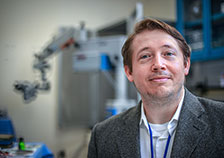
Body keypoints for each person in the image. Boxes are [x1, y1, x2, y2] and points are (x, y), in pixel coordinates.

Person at [87, 18, 224, 158]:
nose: (158, 64)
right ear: (129, 72)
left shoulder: (221, 121)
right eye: (145, 56)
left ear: (186, 65)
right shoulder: (103, 135)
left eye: (168, 54)